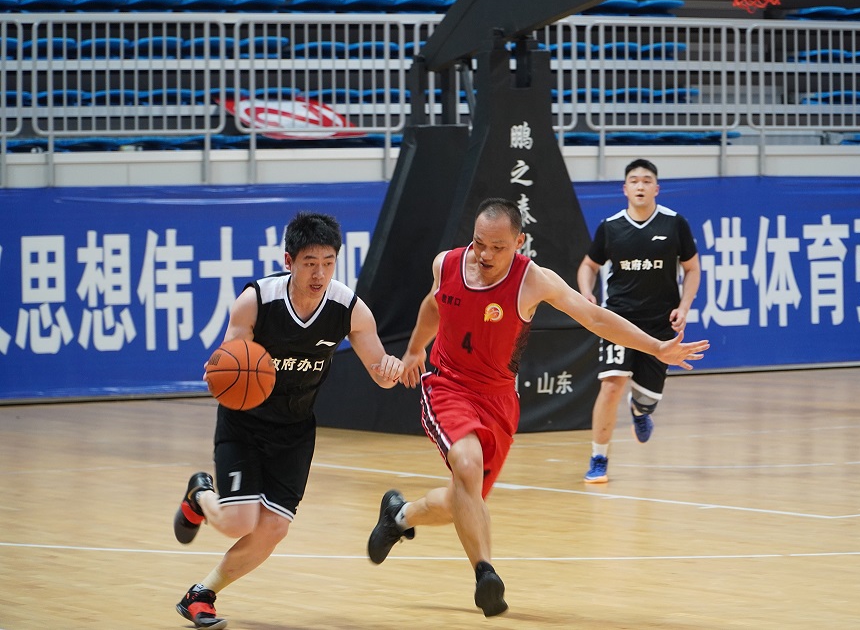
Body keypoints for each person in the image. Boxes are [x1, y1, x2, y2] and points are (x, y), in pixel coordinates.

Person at [366, 198, 709, 616]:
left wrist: (656, 347)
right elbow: (433, 304)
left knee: (464, 499)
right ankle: (486, 575)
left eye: (497, 247)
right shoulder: (448, 264)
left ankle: (399, 516)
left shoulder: (534, 280)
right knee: (467, 466)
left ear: (519, 242)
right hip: (447, 385)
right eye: (479, 243)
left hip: (498, 400)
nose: (485, 254)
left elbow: (596, 318)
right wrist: (415, 350)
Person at [172, 211, 404, 629]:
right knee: (237, 522)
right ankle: (200, 495)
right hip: (244, 423)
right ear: (288, 261)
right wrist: (219, 372)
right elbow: (230, 360)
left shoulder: (349, 308)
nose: (320, 273)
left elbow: (379, 369)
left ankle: (201, 595)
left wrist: (389, 369)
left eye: (328, 262)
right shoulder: (256, 301)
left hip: (294, 430)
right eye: (310, 263)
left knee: (274, 529)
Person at [576, 158, 702, 484]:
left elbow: (692, 269)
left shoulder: (675, 224)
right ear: (625, 189)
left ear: (656, 188)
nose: (640, 186)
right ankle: (599, 457)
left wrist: (684, 306)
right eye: (634, 181)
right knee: (611, 385)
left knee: (647, 400)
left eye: (647, 181)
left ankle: (640, 411)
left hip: (660, 325)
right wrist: (586, 292)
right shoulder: (610, 226)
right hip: (617, 320)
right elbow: (588, 265)